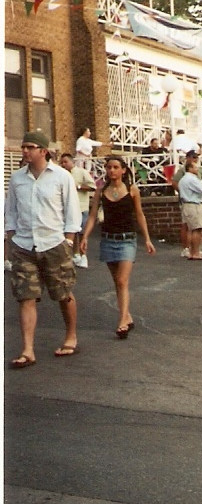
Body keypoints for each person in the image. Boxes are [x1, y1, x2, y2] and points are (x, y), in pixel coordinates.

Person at [5, 131, 82, 368]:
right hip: (24, 244)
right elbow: (11, 212)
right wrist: (11, 238)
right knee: (25, 296)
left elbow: (71, 212)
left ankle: (71, 335)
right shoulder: (17, 178)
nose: (24, 151)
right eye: (23, 147)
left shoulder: (61, 176)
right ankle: (28, 350)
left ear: (43, 151)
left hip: (54, 243)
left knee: (63, 293)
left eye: (29, 147)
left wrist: (68, 241)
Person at [81, 156, 155, 338]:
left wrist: (147, 238)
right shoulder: (101, 190)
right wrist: (85, 237)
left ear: (123, 170)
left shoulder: (132, 190)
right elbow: (92, 216)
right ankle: (127, 316)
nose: (112, 171)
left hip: (127, 240)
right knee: (117, 282)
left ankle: (122, 321)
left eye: (115, 167)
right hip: (108, 239)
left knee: (122, 280)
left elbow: (139, 215)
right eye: (109, 167)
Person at [59, 153, 96, 268]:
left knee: (82, 233)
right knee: (71, 232)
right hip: (67, 208)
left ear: (72, 162)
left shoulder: (81, 172)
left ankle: (84, 256)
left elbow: (92, 186)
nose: (63, 164)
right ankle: (76, 255)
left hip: (81, 207)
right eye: (62, 162)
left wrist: (78, 187)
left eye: (66, 162)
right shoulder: (61, 175)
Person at [172, 151, 201, 258]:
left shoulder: (198, 170)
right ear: (187, 158)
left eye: (196, 157)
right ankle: (186, 248)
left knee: (194, 226)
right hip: (188, 201)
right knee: (187, 225)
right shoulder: (182, 170)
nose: (195, 159)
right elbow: (174, 182)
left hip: (196, 199)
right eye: (193, 157)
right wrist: (183, 192)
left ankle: (193, 249)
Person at [178, 160, 202, 259]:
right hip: (194, 204)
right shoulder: (191, 179)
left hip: (186, 204)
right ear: (190, 168)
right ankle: (195, 253)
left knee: (191, 229)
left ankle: (191, 251)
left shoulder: (182, 179)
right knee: (197, 229)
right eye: (195, 167)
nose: (197, 169)